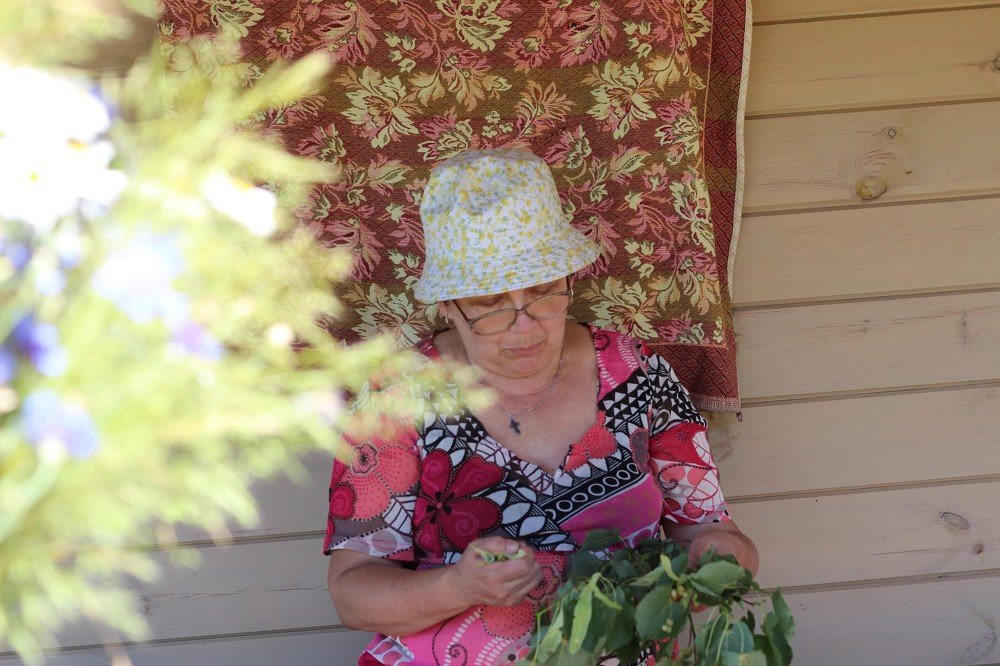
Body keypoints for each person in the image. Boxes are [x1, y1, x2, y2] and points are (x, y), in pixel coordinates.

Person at [323, 148, 758, 665]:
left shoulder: (637, 372)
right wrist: (458, 587)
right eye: (489, 302)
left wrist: (719, 561)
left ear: (570, 281)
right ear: (448, 306)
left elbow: (708, 529)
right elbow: (353, 592)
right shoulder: (397, 398)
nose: (524, 325)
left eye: (544, 291)